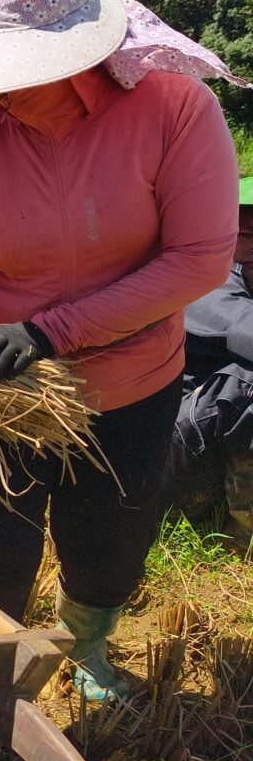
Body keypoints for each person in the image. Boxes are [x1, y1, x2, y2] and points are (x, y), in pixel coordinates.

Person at [0, 0, 243, 704]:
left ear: (71, 58)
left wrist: (52, 333)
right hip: (1, 398)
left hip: (130, 388)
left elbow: (199, 261)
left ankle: (85, 645)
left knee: (110, 544)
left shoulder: (175, 113)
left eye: (13, 69)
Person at [172, 178, 253, 539]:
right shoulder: (208, 279)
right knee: (246, 381)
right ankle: (242, 529)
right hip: (177, 452)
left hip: (214, 445)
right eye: (246, 234)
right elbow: (245, 329)